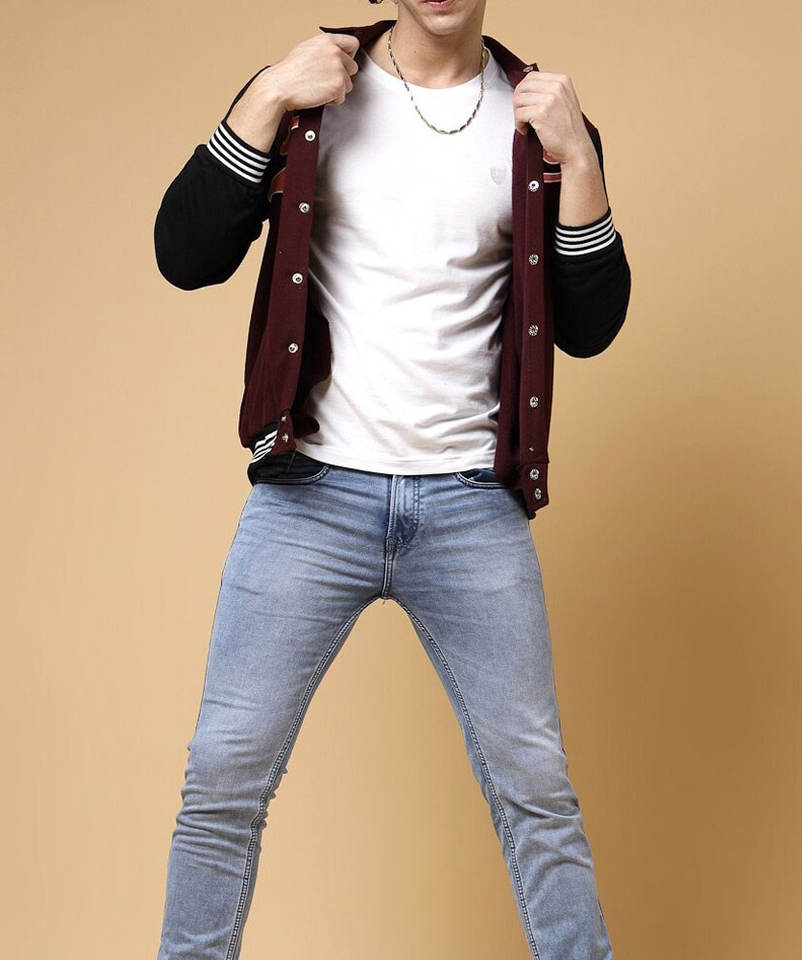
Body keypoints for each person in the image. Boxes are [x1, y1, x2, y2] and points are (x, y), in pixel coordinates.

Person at [152, 2, 630, 958]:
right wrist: (266, 95)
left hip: (470, 505)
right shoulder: (308, 95)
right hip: (311, 497)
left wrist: (579, 161)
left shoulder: (539, 118)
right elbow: (185, 257)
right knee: (223, 778)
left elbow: (589, 329)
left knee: (536, 789)